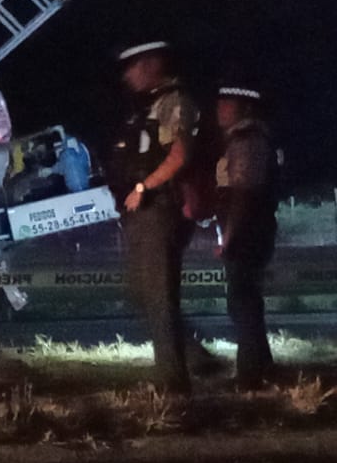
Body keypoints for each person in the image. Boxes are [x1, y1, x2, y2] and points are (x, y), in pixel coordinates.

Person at [108, 41, 199, 395]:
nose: (128, 76)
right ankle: (193, 357)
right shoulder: (149, 105)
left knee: (159, 295)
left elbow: (180, 154)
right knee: (141, 293)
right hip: (143, 211)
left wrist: (144, 187)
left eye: (133, 67)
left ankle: (173, 381)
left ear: (151, 64)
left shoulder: (173, 103)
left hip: (159, 208)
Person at [213, 83, 279, 389]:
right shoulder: (249, 138)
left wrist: (228, 235)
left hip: (248, 230)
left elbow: (241, 194)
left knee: (241, 301)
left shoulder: (246, 140)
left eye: (228, 104)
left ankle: (249, 376)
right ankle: (262, 365)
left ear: (244, 108)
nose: (220, 110)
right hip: (253, 228)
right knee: (246, 298)